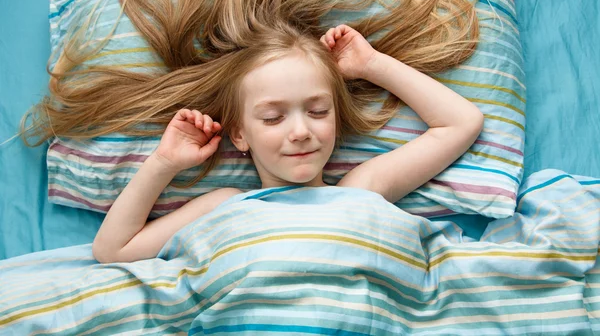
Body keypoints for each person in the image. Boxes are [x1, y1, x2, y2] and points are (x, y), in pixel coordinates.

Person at [91, 23, 483, 263]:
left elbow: (461, 123)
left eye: (317, 112)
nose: (300, 132)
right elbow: (113, 251)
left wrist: (371, 65)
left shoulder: (361, 190)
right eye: (273, 118)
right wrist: (163, 163)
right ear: (240, 134)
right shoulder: (224, 205)